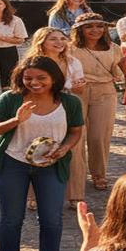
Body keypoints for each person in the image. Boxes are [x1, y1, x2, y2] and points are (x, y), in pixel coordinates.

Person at [0, 55, 84, 251]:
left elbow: (75, 131)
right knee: (12, 218)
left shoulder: (69, 102)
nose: (34, 82)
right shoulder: (10, 98)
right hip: (12, 163)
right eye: (28, 78)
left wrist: (65, 148)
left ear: (54, 79)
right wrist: (15, 120)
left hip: (51, 165)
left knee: (52, 219)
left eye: (42, 78)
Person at [25, 26, 87, 205]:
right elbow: (27, 86)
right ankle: (33, 195)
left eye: (62, 38)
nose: (59, 42)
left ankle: (75, 194)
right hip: (41, 108)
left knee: (75, 150)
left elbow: (80, 89)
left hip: (68, 108)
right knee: (37, 147)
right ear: (41, 41)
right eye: (53, 39)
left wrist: (77, 86)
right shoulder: (32, 62)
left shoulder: (72, 61)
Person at [69, 14, 125, 192]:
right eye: (89, 27)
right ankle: (76, 174)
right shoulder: (69, 49)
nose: (95, 30)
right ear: (80, 30)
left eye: (99, 26)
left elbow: (122, 70)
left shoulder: (113, 47)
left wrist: (124, 72)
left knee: (99, 135)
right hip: (76, 92)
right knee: (76, 135)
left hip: (105, 91)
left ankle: (99, 173)